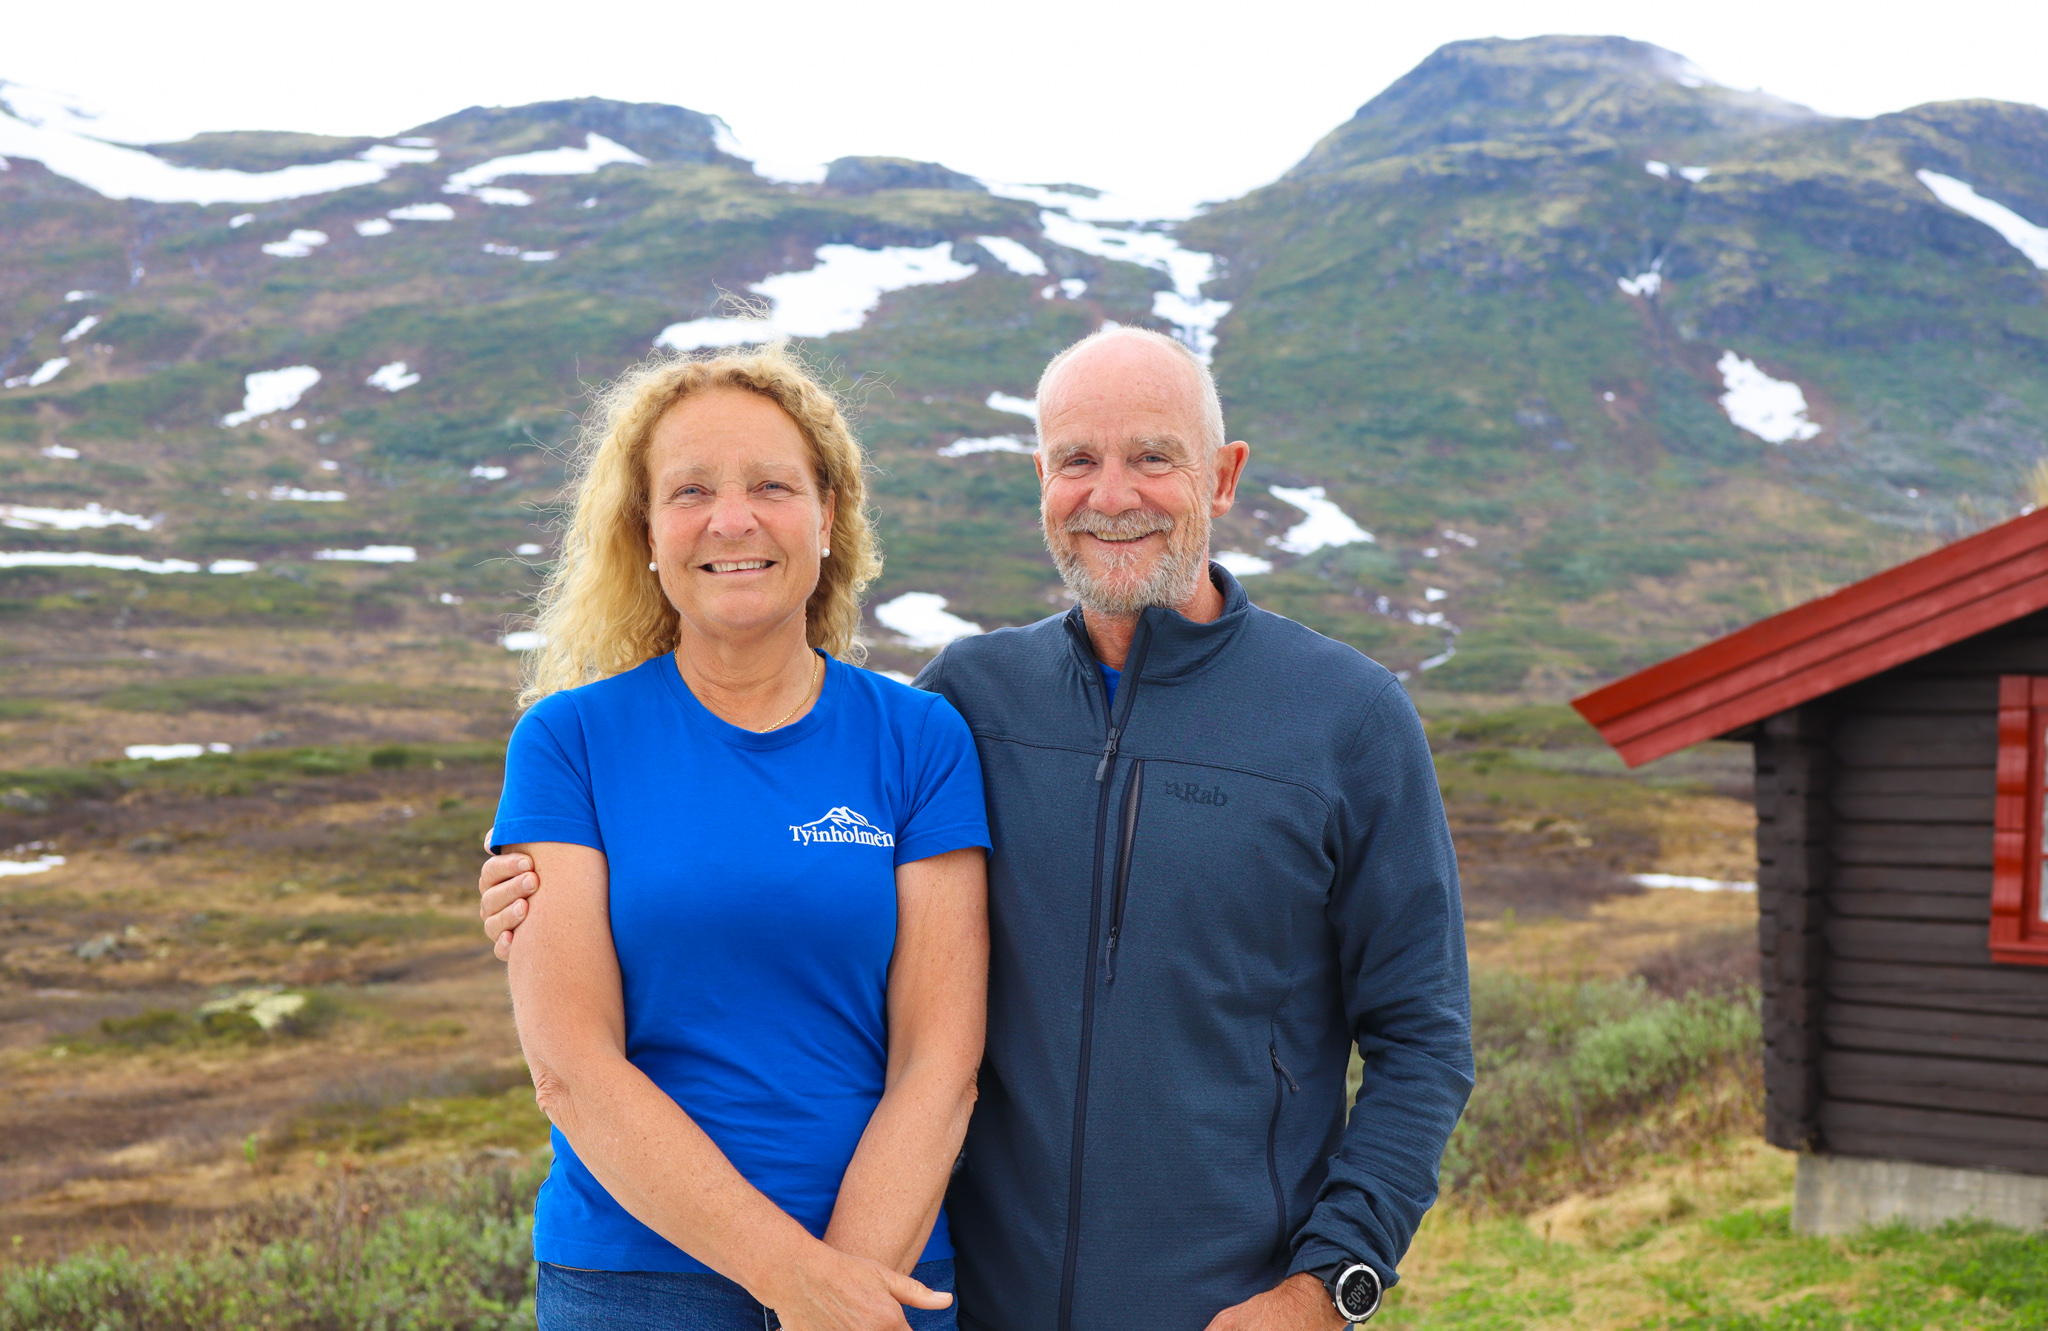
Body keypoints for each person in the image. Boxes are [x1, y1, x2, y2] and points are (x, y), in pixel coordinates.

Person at [484, 327, 1473, 1330]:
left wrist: (1325, 1286)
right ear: (1041, 477)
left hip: (1216, 1310)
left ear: (1221, 477)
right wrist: (545, 904)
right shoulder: (970, 700)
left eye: (1152, 457)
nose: (1112, 494)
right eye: (1077, 460)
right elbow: (775, 830)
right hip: (960, 1297)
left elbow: (1423, 1039)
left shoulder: (1343, 718)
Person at [489, 343, 991, 1331]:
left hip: (884, 1275)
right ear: (644, 529)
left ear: (826, 515)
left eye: (772, 484)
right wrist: (795, 1280)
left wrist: (841, 1284)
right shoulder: (566, 742)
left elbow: (940, 1061)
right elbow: (572, 1065)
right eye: (689, 491)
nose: (732, 519)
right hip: (634, 1280)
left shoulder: (921, 739)